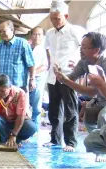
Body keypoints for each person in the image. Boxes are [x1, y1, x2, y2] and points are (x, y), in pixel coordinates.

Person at [44, 0, 87, 152]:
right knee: (54, 110)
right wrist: (49, 66)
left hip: (68, 77)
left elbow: (85, 49)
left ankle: (71, 142)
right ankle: (55, 139)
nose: (54, 21)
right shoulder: (49, 33)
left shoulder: (75, 31)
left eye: (57, 18)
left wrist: (77, 64)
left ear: (66, 16)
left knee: (70, 110)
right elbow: (48, 51)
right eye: (52, 18)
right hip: (52, 76)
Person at [53, 32, 106, 134]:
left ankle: (101, 142)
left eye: (85, 47)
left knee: (102, 117)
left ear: (96, 50)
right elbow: (71, 78)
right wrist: (61, 75)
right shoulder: (84, 62)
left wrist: (66, 81)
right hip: (99, 100)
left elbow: (91, 92)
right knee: (88, 119)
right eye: (81, 46)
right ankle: (99, 143)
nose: (81, 50)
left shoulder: (104, 63)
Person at [0, 74, 37, 149]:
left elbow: (21, 116)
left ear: (10, 88)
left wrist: (13, 135)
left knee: (31, 127)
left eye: (2, 91)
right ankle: (2, 140)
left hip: (16, 121)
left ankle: (16, 140)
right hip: (2, 122)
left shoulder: (20, 93)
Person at [0, 20, 35, 93]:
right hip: (2, 87)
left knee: (19, 104)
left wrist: (32, 79)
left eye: (4, 31)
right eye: (0, 31)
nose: (1, 34)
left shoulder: (22, 43)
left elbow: (31, 64)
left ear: (12, 30)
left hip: (18, 86)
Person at [84, 69, 106, 162]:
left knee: (102, 114)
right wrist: (65, 80)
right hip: (99, 100)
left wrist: (101, 84)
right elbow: (89, 91)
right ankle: (100, 147)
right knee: (89, 141)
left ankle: (101, 153)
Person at [29, 26, 48, 130]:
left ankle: (35, 129)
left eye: (39, 34)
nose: (36, 36)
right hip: (25, 79)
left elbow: (45, 66)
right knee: (25, 105)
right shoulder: (27, 46)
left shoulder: (44, 49)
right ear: (31, 35)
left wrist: (32, 73)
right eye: (35, 34)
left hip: (38, 79)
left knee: (36, 106)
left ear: (43, 36)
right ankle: (26, 129)